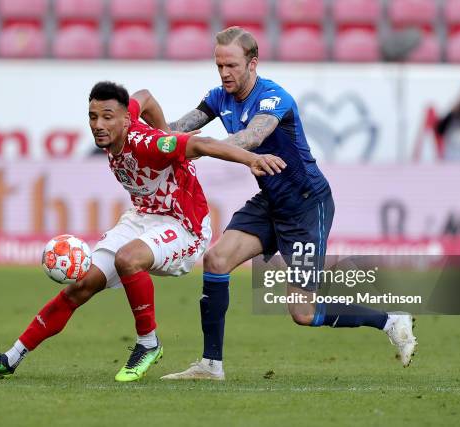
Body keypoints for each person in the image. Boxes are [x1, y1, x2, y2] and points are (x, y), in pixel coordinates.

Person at [0, 81, 286, 382]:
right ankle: (10, 357)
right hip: (143, 216)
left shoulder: (151, 144)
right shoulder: (118, 125)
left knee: (128, 258)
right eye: (93, 117)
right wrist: (163, 124)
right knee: (81, 286)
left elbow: (202, 143)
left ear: (123, 121)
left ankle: (148, 343)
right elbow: (144, 96)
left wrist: (250, 159)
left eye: (107, 117)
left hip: (185, 224)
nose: (99, 125)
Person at [161, 27, 417, 381]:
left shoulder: (273, 99)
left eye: (231, 65)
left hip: (306, 206)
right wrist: (138, 132)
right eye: (219, 65)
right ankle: (210, 366)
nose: (224, 73)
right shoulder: (219, 96)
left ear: (253, 63)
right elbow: (176, 128)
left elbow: (251, 138)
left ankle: (390, 320)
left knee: (303, 312)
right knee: (217, 259)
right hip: (270, 201)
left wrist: (203, 147)